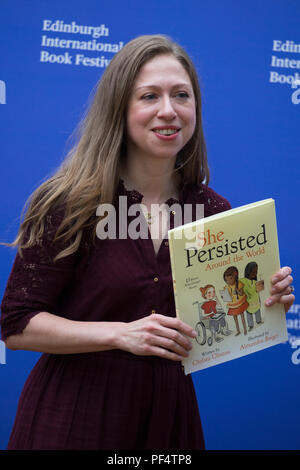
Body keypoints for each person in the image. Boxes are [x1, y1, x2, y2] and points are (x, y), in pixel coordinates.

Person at [0, 34, 295, 450]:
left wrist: (263, 299)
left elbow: (212, 328)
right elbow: (17, 325)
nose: (168, 111)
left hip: (168, 417)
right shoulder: (70, 202)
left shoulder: (213, 211)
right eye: (149, 96)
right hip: (74, 417)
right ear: (119, 108)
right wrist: (119, 334)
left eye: (181, 95)